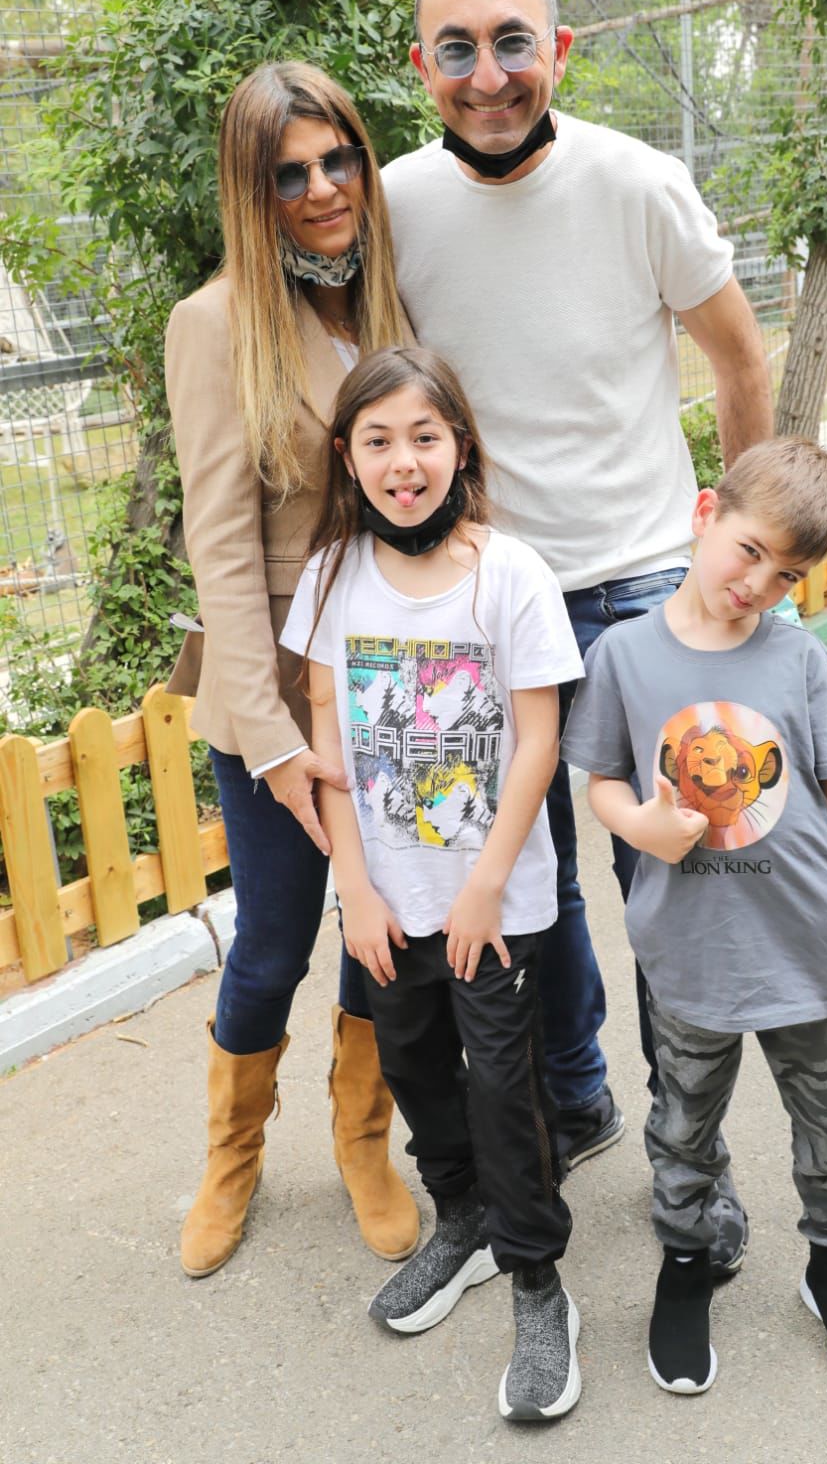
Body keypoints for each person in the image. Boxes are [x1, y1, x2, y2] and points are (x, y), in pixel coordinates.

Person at [380, 0, 775, 1202]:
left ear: (556, 48)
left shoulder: (637, 183)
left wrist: (741, 552)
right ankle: (573, 1096)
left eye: (512, 42)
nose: (487, 74)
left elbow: (738, 359)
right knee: (518, 883)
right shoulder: (391, 207)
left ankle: (688, 1152)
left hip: (642, 586)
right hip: (486, 600)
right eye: (456, 49)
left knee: (671, 879)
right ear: (420, 66)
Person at [280, 346, 582, 1423]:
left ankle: (538, 1281)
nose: (401, 462)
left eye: (423, 436)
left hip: (489, 901)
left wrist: (486, 885)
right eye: (377, 441)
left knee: (503, 1087)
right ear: (346, 455)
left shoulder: (511, 574)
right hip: (384, 896)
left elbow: (538, 741)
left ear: (460, 445)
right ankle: (462, 1222)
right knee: (411, 1062)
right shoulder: (331, 576)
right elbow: (328, 742)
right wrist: (353, 889)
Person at [561, 437, 827, 1395]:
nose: (756, 584)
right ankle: (684, 1267)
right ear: (705, 513)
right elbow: (602, 779)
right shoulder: (623, 655)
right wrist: (640, 825)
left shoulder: (801, 659)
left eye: (785, 573)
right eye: (749, 551)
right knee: (681, 1131)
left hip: (810, 948)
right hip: (688, 953)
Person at [165, 61, 419, 1278]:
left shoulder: (383, 301)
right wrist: (270, 741)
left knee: (386, 918)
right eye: (289, 173)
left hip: (388, 679)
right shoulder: (216, 322)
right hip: (271, 691)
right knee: (274, 934)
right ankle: (232, 1156)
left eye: (337, 160)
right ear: (251, 190)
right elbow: (220, 545)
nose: (322, 188)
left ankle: (362, 1137)